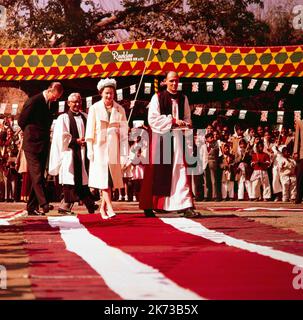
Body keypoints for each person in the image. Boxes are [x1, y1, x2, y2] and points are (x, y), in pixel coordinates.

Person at [139, 71, 201, 218]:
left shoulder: (183, 98)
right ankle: (153, 204)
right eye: (171, 81)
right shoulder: (157, 97)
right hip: (162, 138)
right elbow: (152, 119)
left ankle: (185, 205)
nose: (174, 84)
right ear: (165, 81)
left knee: (180, 171)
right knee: (156, 172)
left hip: (178, 138)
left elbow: (187, 117)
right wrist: (172, 121)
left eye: (176, 81)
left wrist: (186, 125)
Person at [85, 78, 128, 219]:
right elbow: (89, 131)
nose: (109, 96)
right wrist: (90, 149)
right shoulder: (94, 108)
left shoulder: (120, 109)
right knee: (103, 180)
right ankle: (110, 207)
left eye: (111, 93)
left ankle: (103, 210)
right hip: (99, 149)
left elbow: (124, 135)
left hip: (114, 149)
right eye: (106, 93)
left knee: (109, 180)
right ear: (101, 93)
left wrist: (124, 154)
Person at [18, 82, 63, 215]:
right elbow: (21, 121)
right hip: (31, 143)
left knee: (38, 176)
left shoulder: (52, 103)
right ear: (49, 90)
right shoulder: (34, 101)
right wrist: (31, 131)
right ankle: (44, 204)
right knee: (37, 174)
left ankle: (31, 207)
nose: (55, 100)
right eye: (55, 96)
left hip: (43, 143)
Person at [49, 92, 97, 215]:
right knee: (71, 180)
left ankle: (90, 204)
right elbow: (61, 137)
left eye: (79, 101)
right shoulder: (63, 118)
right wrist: (75, 141)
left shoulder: (86, 116)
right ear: (68, 103)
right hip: (70, 153)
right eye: (74, 102)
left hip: (84, 153)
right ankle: (65, 206)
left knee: (84, 180)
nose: (77, 104)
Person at [293, 119, 303, 204]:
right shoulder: (300, 122)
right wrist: (295, 151)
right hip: (302, 153)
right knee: (300, 176)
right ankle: (299, 197)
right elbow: (297, 138)